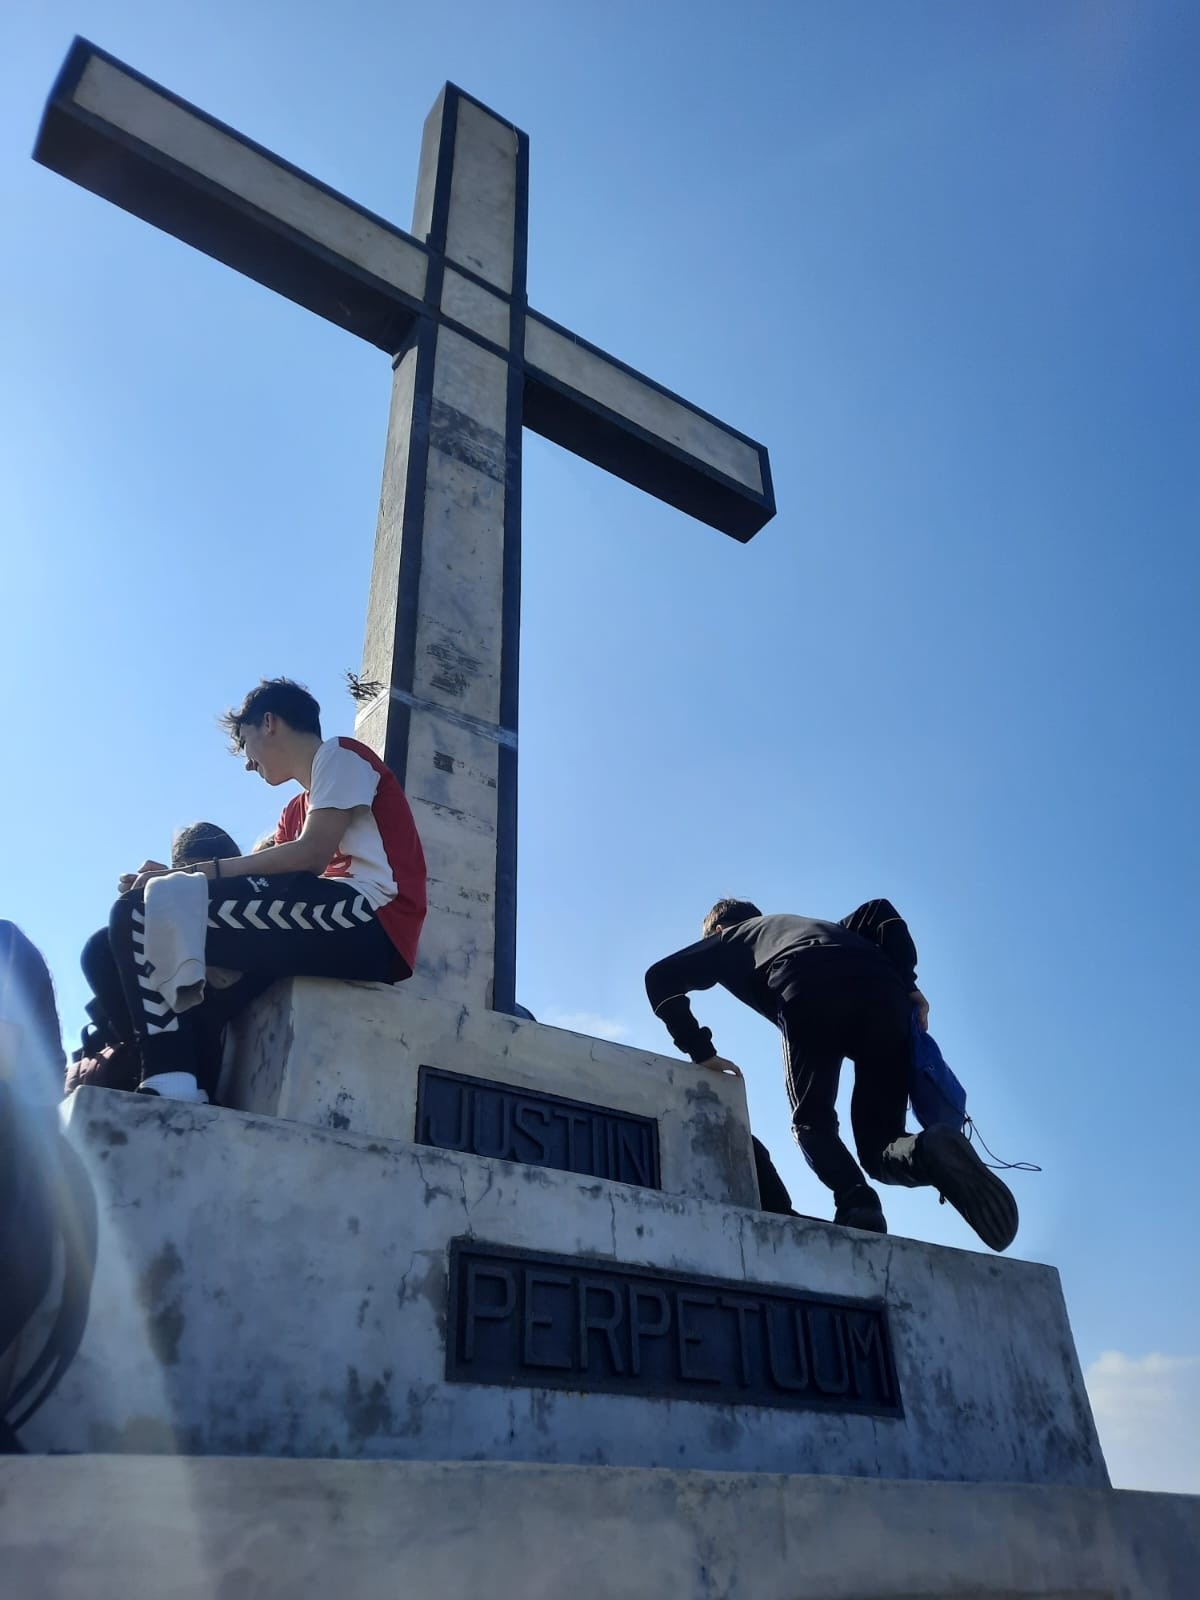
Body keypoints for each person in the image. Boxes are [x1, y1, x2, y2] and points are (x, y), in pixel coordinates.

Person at [107, 677, 427, 1103]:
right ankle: (193, 1083)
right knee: (147, 922)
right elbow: (257, 880)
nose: (246, 763)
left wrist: (192, 876)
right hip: (327, 922)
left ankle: (171, 1079)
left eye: (244, 744)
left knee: (146, 909)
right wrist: (174, 876)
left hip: (373, 922)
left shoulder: (340, 755)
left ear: (269, 723)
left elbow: (311, 856)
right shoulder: (293, 812)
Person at [644, 897, 1018, 1252]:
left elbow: (659, 979)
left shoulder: (731, 938)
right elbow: (880, 912)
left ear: (719, 929)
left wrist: (701, 1052)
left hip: (805, 985)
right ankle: (929, 1149)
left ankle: (857, 1201)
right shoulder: (821, 928)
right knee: (881, 1145)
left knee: (812, 1123)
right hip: (884, 991)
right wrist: (909, 984)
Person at [69, 824, 248, 1097]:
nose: (189, 879)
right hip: (183, 994)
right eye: (182, 871)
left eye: (194, 871)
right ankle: (162, 1070)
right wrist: (154, 898)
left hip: (229, 976)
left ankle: (182, 1078)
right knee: (101, 947)